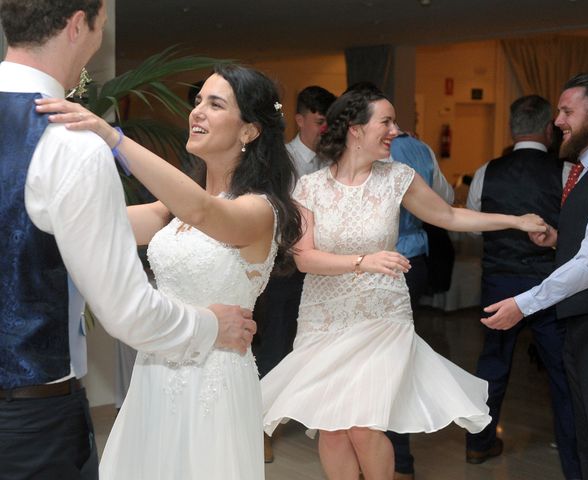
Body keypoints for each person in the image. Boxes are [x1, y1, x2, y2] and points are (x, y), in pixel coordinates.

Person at [0, 2, 254, 479]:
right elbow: (127, 311)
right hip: (29, 422)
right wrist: (209, 327)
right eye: (101, 24)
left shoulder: (257, 206)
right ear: (78, 24)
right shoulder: (68, 144)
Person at [261, 87, 547, 479]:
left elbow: (449, 216)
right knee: (331, 428)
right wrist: (363, 261)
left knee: (363, 425)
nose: (397, 130)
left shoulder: (398, 178)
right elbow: (305, 258)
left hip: (382, 316)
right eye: (387, 121)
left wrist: (515, 221)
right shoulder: (309, 188)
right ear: (356, 130)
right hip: (325, 318)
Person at [38, 63, 302, 479]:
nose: (197, 111)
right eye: (198, 101)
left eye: (215, 104)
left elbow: (202, 210)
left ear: (249, 131)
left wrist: (112, 136)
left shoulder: (258, 210)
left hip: (213, 381)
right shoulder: (172, 211)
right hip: (155, 371)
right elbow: (98, 223)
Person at [483, 73, 588, 479]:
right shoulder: (584, 168)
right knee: (587, 434)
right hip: (583, 322)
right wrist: (557, 239)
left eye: (567, 111)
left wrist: (524, 303)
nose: (557, 121)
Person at [465, 95, 580, 479]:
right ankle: (573, 457)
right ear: (549, 129)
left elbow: (476, 218)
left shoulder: (487, 170)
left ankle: (479, 445)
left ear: (512, 128)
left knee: (492, 366)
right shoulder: (565, 172)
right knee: (561, 373)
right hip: (549, 284)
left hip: (499, 279)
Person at [255, 85, 335, 462]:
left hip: (325, 268)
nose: (325, 129)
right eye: (320, 121)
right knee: (276, 344)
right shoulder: (279, 160)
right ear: (300, 119)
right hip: (285, 267)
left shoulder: (334, 162)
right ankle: (260, 426)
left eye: (330, 123)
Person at [386, 131, 454, 480]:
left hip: (389, 266)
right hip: (411, 262)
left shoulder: (372, 153)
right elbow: (446, 197)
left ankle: (394, 461)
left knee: (389, 366)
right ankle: (397, 463)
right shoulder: (420, 147)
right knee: (391, 364)